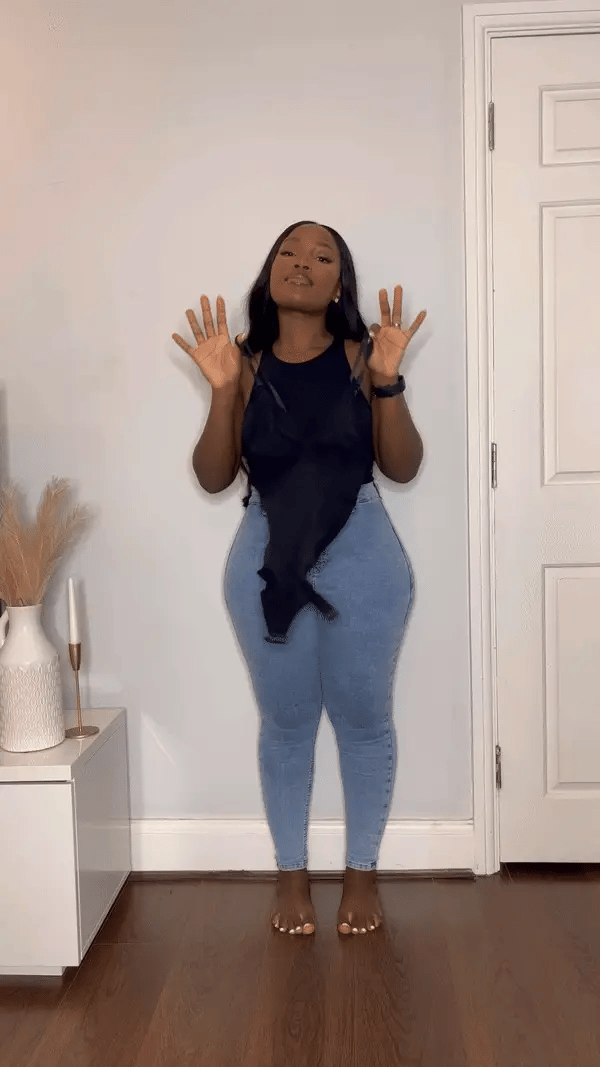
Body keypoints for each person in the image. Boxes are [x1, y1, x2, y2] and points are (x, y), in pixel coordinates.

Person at [172, 221, 426, 937]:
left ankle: (361, 873)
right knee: (285, 725)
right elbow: (214, 477)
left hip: (364, 554)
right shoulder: (242, 364)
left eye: (322, 256)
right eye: (289, 252)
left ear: (340, 283)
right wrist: (223, 390)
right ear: (270, 274)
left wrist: (388, 379)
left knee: (364, 721)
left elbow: (402, 466)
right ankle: (291, 875)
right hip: (265, 558)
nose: (303, 263)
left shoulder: (363, 356)